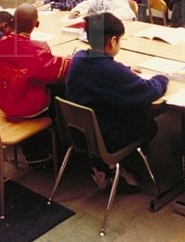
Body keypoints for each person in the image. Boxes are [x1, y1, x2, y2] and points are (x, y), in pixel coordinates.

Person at [65, 12, 168, 192]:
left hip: (78, 132)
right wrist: (162, 78)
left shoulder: (79, 58)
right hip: (106, 136)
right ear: (113, 41)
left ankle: (104, 166)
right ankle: (118, 170)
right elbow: (148, 91)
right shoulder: (110, 71)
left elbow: (105, 75)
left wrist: (125, 70)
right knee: (149, 124)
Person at [0, 3, 71, 120]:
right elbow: (60, 69)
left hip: (4, 103)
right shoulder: (35, 50)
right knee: (62, 86)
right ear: (37, 24)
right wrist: (72, 58)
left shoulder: (0, 43)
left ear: (12, 21)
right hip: (27, 109)